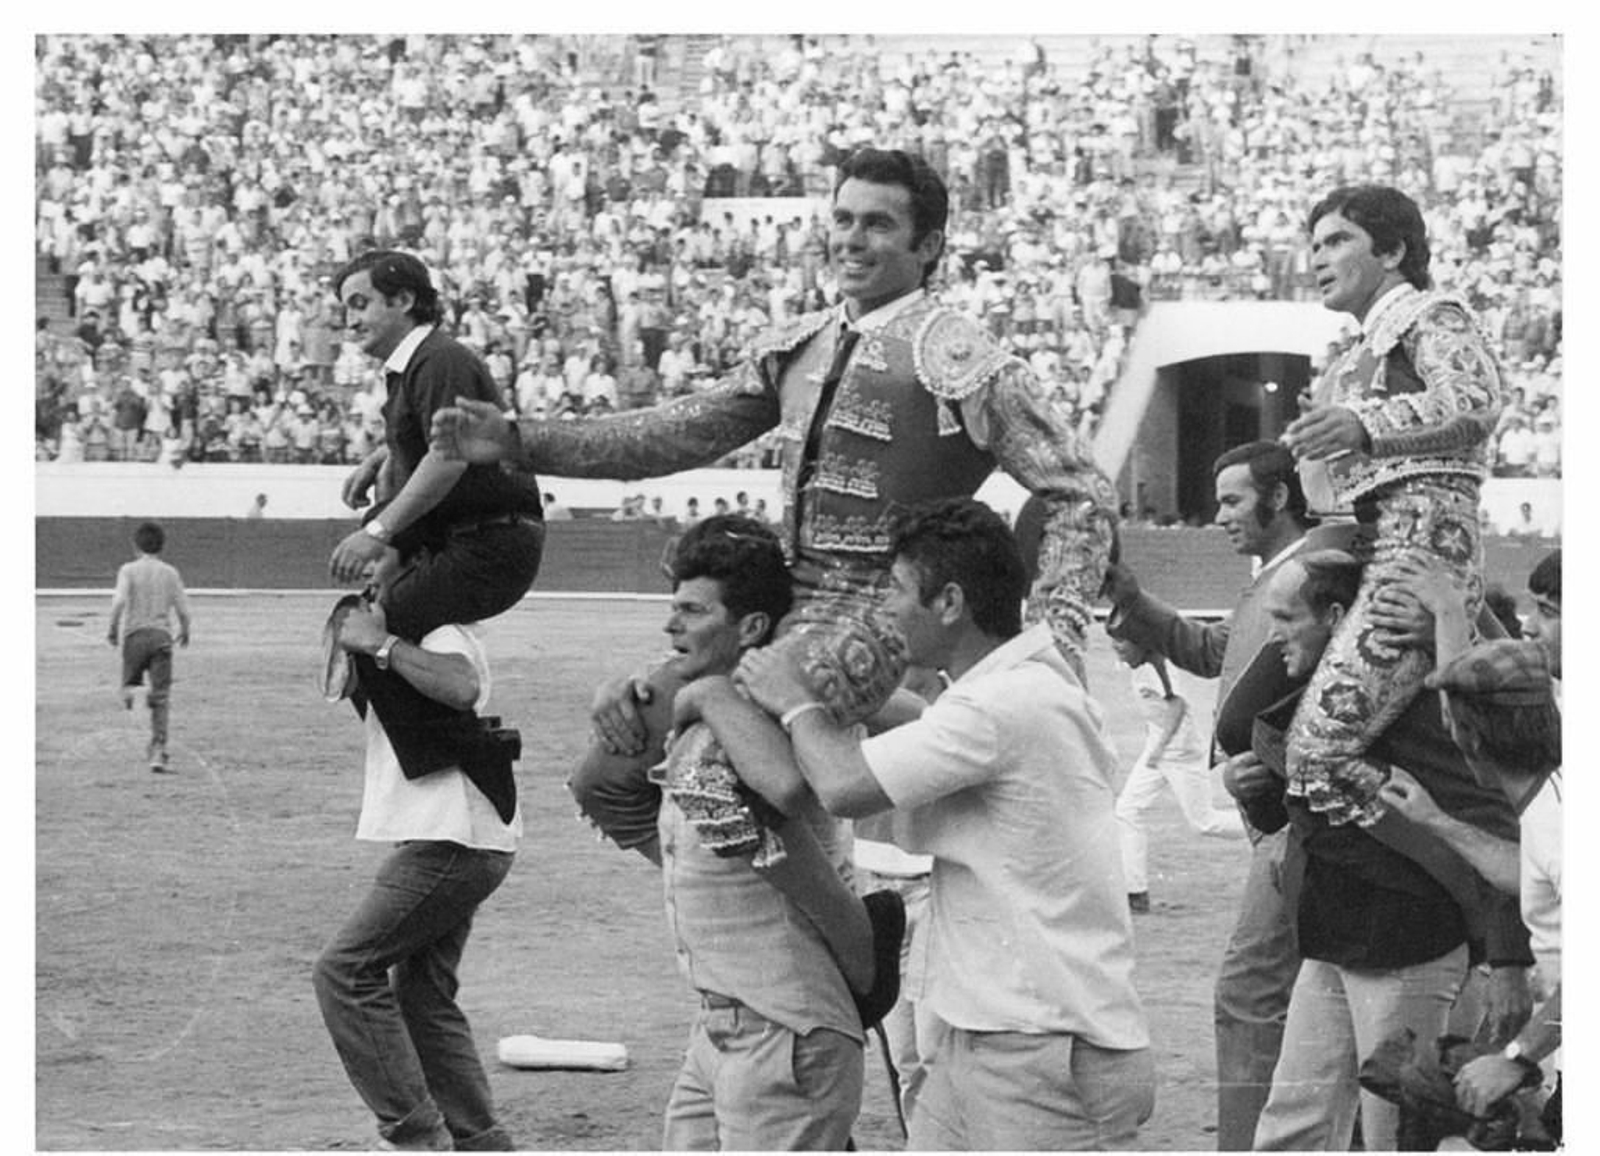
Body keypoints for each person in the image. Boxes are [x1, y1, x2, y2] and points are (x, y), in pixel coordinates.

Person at [430, 148, 1117, 737]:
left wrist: (1054, 634)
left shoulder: (962, 356)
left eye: (878, 224)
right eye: (843, 219)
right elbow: (673, 434)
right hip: (782, 601)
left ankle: (854, 870)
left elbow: (1081, 491)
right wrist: (522, 438)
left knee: (716, 754)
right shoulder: (801, 345)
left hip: (884, 608)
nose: (851, 238)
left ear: (928, 246)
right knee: (621, 753)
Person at [724, 499, 1154, 1149]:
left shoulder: (999, 703)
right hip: (1001, 1033)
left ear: (949, 602)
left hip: (1040, 1048)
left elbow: (843, 787)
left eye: (897, 590)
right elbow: (933, 728)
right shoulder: (1020, 683)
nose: (887, 610)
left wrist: (796, 703)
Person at [568, 515, 901, 1150]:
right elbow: (597, 783)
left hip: (788, 1030)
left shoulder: (796, 703)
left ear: (749, 627)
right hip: (725, 1025)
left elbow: (783, 791)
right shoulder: (698, 703)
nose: (671, 627)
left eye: (692, 611)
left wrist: (713, 695)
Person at [1213, 550, 1531, 1151]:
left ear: (1337, 618)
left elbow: (1497, 815)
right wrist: (1247, 788)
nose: (1272, 634)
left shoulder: (1411, 699)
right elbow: (1301, 811)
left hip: (1409, 939)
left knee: (1398, 1133)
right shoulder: (1325, 696)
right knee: (1293, 1122)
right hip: (1332, 938)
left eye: (1284, 617)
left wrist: (1507, 959)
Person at [1104, 440, 1361, 1151]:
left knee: (1253, 993)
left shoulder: (1308, 570)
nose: (1220, 516)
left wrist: (1268, 768)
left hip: (1295, 818)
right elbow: (1215, 653)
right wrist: (1130, 598)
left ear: (1280, 498)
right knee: (1311, 993)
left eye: (1233, 500)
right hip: (1283, 815)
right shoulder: (1281, 574)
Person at [1279, 184, 1504, 830]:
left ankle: (1480, 881)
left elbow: (1473, 402)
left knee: (1317, 752)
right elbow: (1332, 495)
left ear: (1395, 249)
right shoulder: (1352, 360)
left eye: (1338, 240)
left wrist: (1361, 424)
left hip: (1422, 561)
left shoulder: (1434, 315)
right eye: (1314, 245)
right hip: (1384, 557)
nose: (1318, 258)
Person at [312, 555, 520, 1152]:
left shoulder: (443, 631)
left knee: (345, 971)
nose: (373, 582)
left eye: (384, 569)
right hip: (461, 833)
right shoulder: (410, 625)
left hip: (453, 836)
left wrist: (381, 644)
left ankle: (418, 1136)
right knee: (423, 997)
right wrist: (363, 628)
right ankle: (480, 1140)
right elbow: (334, 683)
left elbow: (461, 686)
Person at [1374, 549, 1562, 1143]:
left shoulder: (1558, 823)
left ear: (1466, 735)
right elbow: (1525, 873)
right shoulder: (1549, 795)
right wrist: (1437, 820)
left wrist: (1517, 1055)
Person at [326, 249, 544, 648]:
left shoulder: (438, 360)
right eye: (346, 310)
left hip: (486, 543)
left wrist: (377, 532)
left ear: (405, 300)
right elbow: (436, 442)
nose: (351, 321)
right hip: (474, 536)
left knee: (375, 631)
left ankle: (457, 698)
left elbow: (448, 458)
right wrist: (386, 453)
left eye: (360, 304)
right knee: (374, 626)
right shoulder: (422, 363)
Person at [1109, 633, 1244, 914]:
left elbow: (1178, 705)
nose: (1116, 648)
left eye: (1122, 641)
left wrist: (1159, 747)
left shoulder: (1155, 666)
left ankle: (1261, 828)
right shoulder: (1137, 664)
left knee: (1204, 822)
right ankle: (1135, 893)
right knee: (1126, 810)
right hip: (1159, 749)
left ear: (1140, 642)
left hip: (1179, 753)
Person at [107, 521, 191, 773]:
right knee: (162, 697)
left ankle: (136, 698)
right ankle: (158, 750)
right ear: (162, 546)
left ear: (135, 546)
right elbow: (184, 610)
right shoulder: (170, 572)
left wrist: (112, 628)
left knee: (129, 688)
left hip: (134, 637)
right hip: (161, 637)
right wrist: (185, 630)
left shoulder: (128, 570)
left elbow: (120, 601)